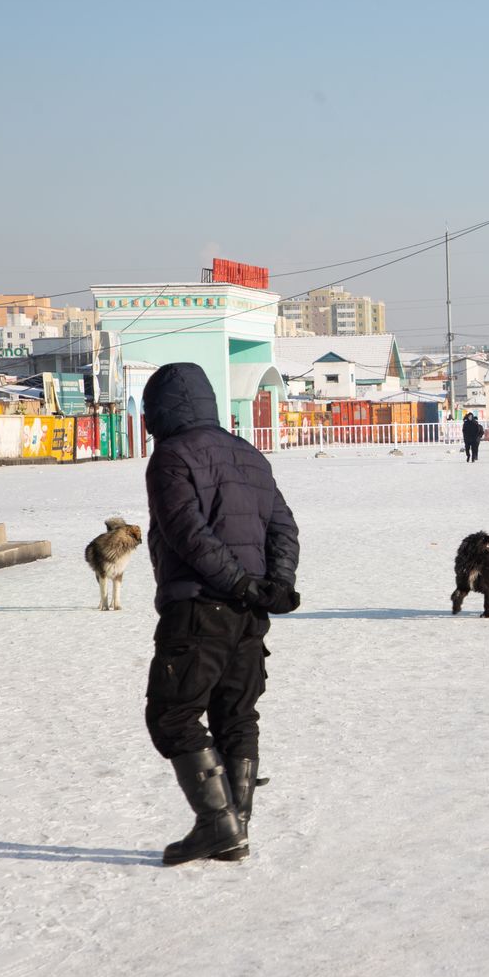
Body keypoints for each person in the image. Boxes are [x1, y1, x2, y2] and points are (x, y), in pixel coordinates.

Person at [141, 362, 301, 866]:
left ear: (162, 409)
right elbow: (284, 528)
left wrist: (238, 582)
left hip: (199, 606)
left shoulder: (171, 456)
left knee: (172, 714)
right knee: (236, 714)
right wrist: (275, 584)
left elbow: (188, 533)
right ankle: (235, 826)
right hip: (250, 613)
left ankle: (218, 825)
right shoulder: (248, 455)